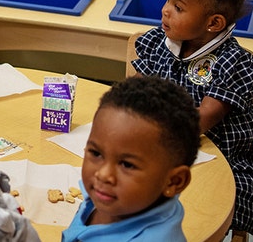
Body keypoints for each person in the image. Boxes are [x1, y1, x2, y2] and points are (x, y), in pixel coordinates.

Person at [130, 0, 253, 237]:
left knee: (200, 208)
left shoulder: (235, 62)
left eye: (178, 7)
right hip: (168, 145)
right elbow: (135, 93)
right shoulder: (159, 42)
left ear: (214, 23)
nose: (165, 11)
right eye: (167, 0)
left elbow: (203, 119)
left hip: (226, 160)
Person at [62, 76, 199, 241]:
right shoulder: (114, 198)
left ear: (174, 182)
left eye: (127, 165)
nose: (103, 174)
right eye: (96, 154)